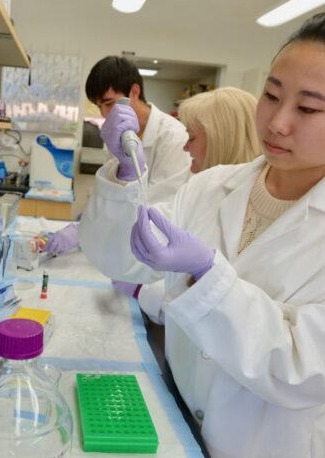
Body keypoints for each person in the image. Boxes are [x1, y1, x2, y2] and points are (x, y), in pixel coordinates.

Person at [78, 7, 325, 458]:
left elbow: (302, 369)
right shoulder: (212, 186)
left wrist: (209, 276)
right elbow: (119, 257)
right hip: (176, 423)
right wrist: (125, 175)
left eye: (308, 109)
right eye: (273, 95)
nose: (277, 122)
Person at [112, 86, 262, 318]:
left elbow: (228, 303)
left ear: (220, 139)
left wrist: (145, 291)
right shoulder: (198, 191)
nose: (184, 147)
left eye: (191, 137)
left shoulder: (254, 206)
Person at [44, 56, 192, 255]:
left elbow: (161, 212)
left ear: (134, 92)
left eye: (109, 103)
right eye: (99, 107)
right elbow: (112, 191)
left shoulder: (173, 137)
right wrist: (85, 226)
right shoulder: (121, 131)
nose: (105, 114)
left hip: (154, 251)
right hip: (120, 245)